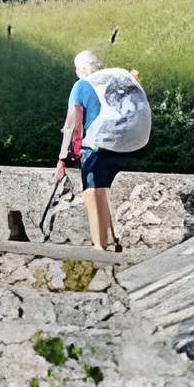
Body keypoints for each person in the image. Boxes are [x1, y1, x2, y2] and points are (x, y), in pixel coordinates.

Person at [56, 48, 149, 252]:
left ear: (80, 69)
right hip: (134, 142)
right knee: (104, 190)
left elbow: (73, 125)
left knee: (92, 191)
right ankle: (112, 240)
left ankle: (99, 245)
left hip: (101, 144)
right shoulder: (113, 79)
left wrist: (63, 157)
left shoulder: (81, 85)